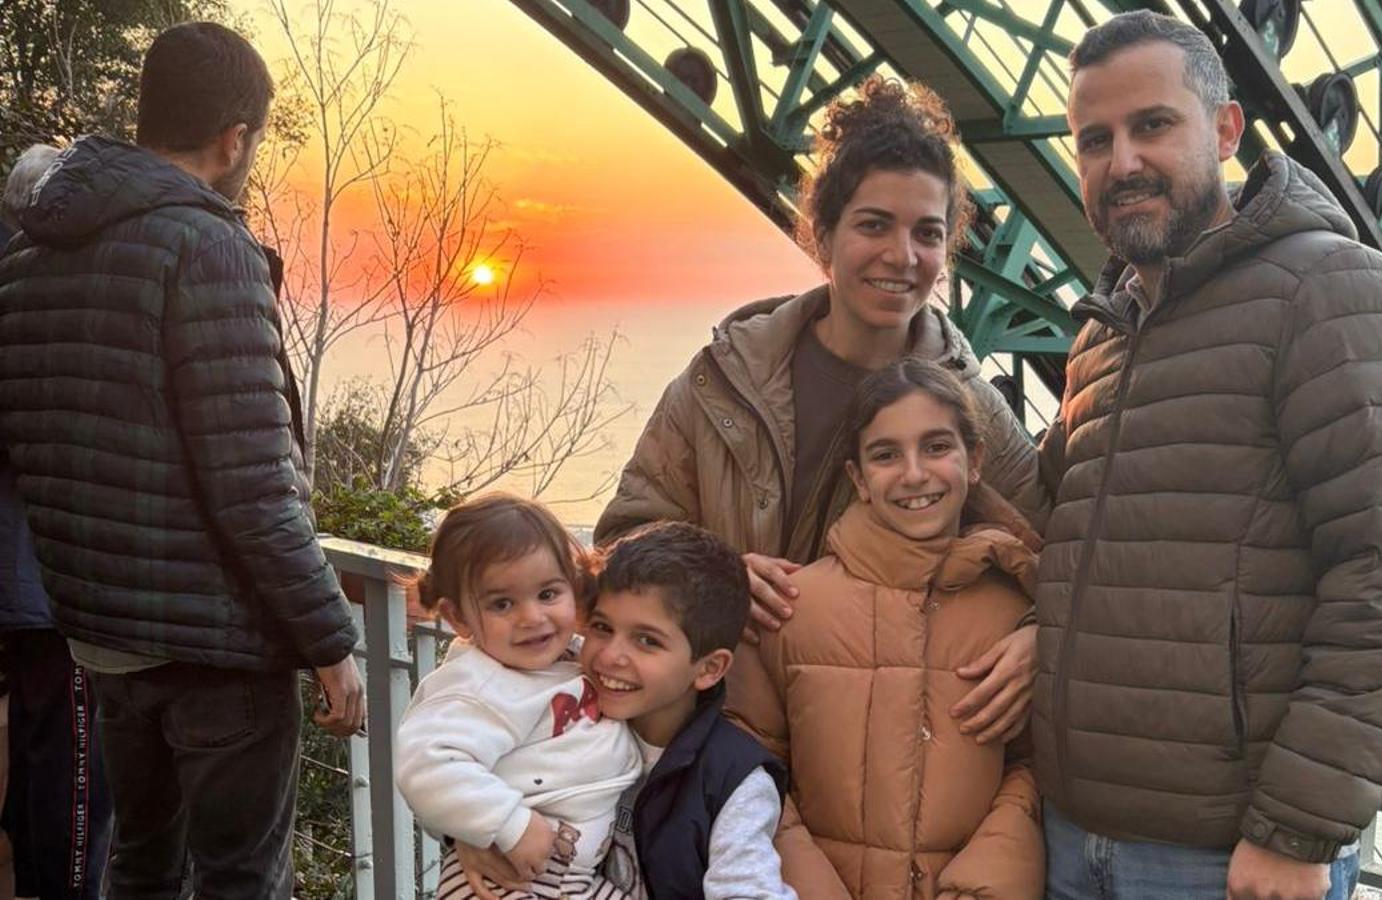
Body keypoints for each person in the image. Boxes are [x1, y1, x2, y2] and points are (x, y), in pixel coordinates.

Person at [1033, 10, 1382, 900]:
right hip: (1070, 840)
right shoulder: (1104, 336)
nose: (1122, 163)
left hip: (1224, 862)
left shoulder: (1331, 288)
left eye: (1153, 125)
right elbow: (1056, 533)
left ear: (1225, 131)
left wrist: (1298, 830)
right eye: (1094, 139)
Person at [0, 22, 365, 897]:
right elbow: (252, 488)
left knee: (141, 864)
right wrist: (332, 643)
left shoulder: (30, 254)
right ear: (235, 138)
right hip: (218, 651)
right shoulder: (207, 248)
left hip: (103, 640)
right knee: (238, 877)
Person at [596, 74, 1048, 748]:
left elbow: (1054, 558)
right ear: (823, 232)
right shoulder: (725, 379)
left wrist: (1041, 639)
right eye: (874, 225)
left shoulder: (973, 408)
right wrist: (713, 578)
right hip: (711, 757)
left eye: (927, 233)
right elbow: (621, 542)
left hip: (872, 767)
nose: (902, 256)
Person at [729, 359, 1045, 898]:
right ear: (858, 479)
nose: (915, 473)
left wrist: (993, 873)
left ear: (975, 461)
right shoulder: (790, 609)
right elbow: (746, 767)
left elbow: (1038, 764)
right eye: (885, 455)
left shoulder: (1019, 616)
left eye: (938, 447)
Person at [456, 521, 795, 900]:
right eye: (601, 627)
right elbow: (454, 759)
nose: (611, 656)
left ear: (709, 668)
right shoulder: (555, 710)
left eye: (647, 641)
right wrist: (469, 831)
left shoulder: (732, 779)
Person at [396, 494, 641, 899]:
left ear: (574, 591)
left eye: (548, 594)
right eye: (502, 603)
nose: (531, 617)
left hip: (575, 876)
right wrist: (510, 822)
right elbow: (425, 763)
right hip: (504, 876)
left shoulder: (577, 658)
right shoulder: (477, 683)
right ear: (458, 618)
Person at [0, 143, 114, 900]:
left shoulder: (16, 282)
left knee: (44, 765)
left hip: (26, 580)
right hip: (56, 579)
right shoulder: (59, 294)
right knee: (76, 783)